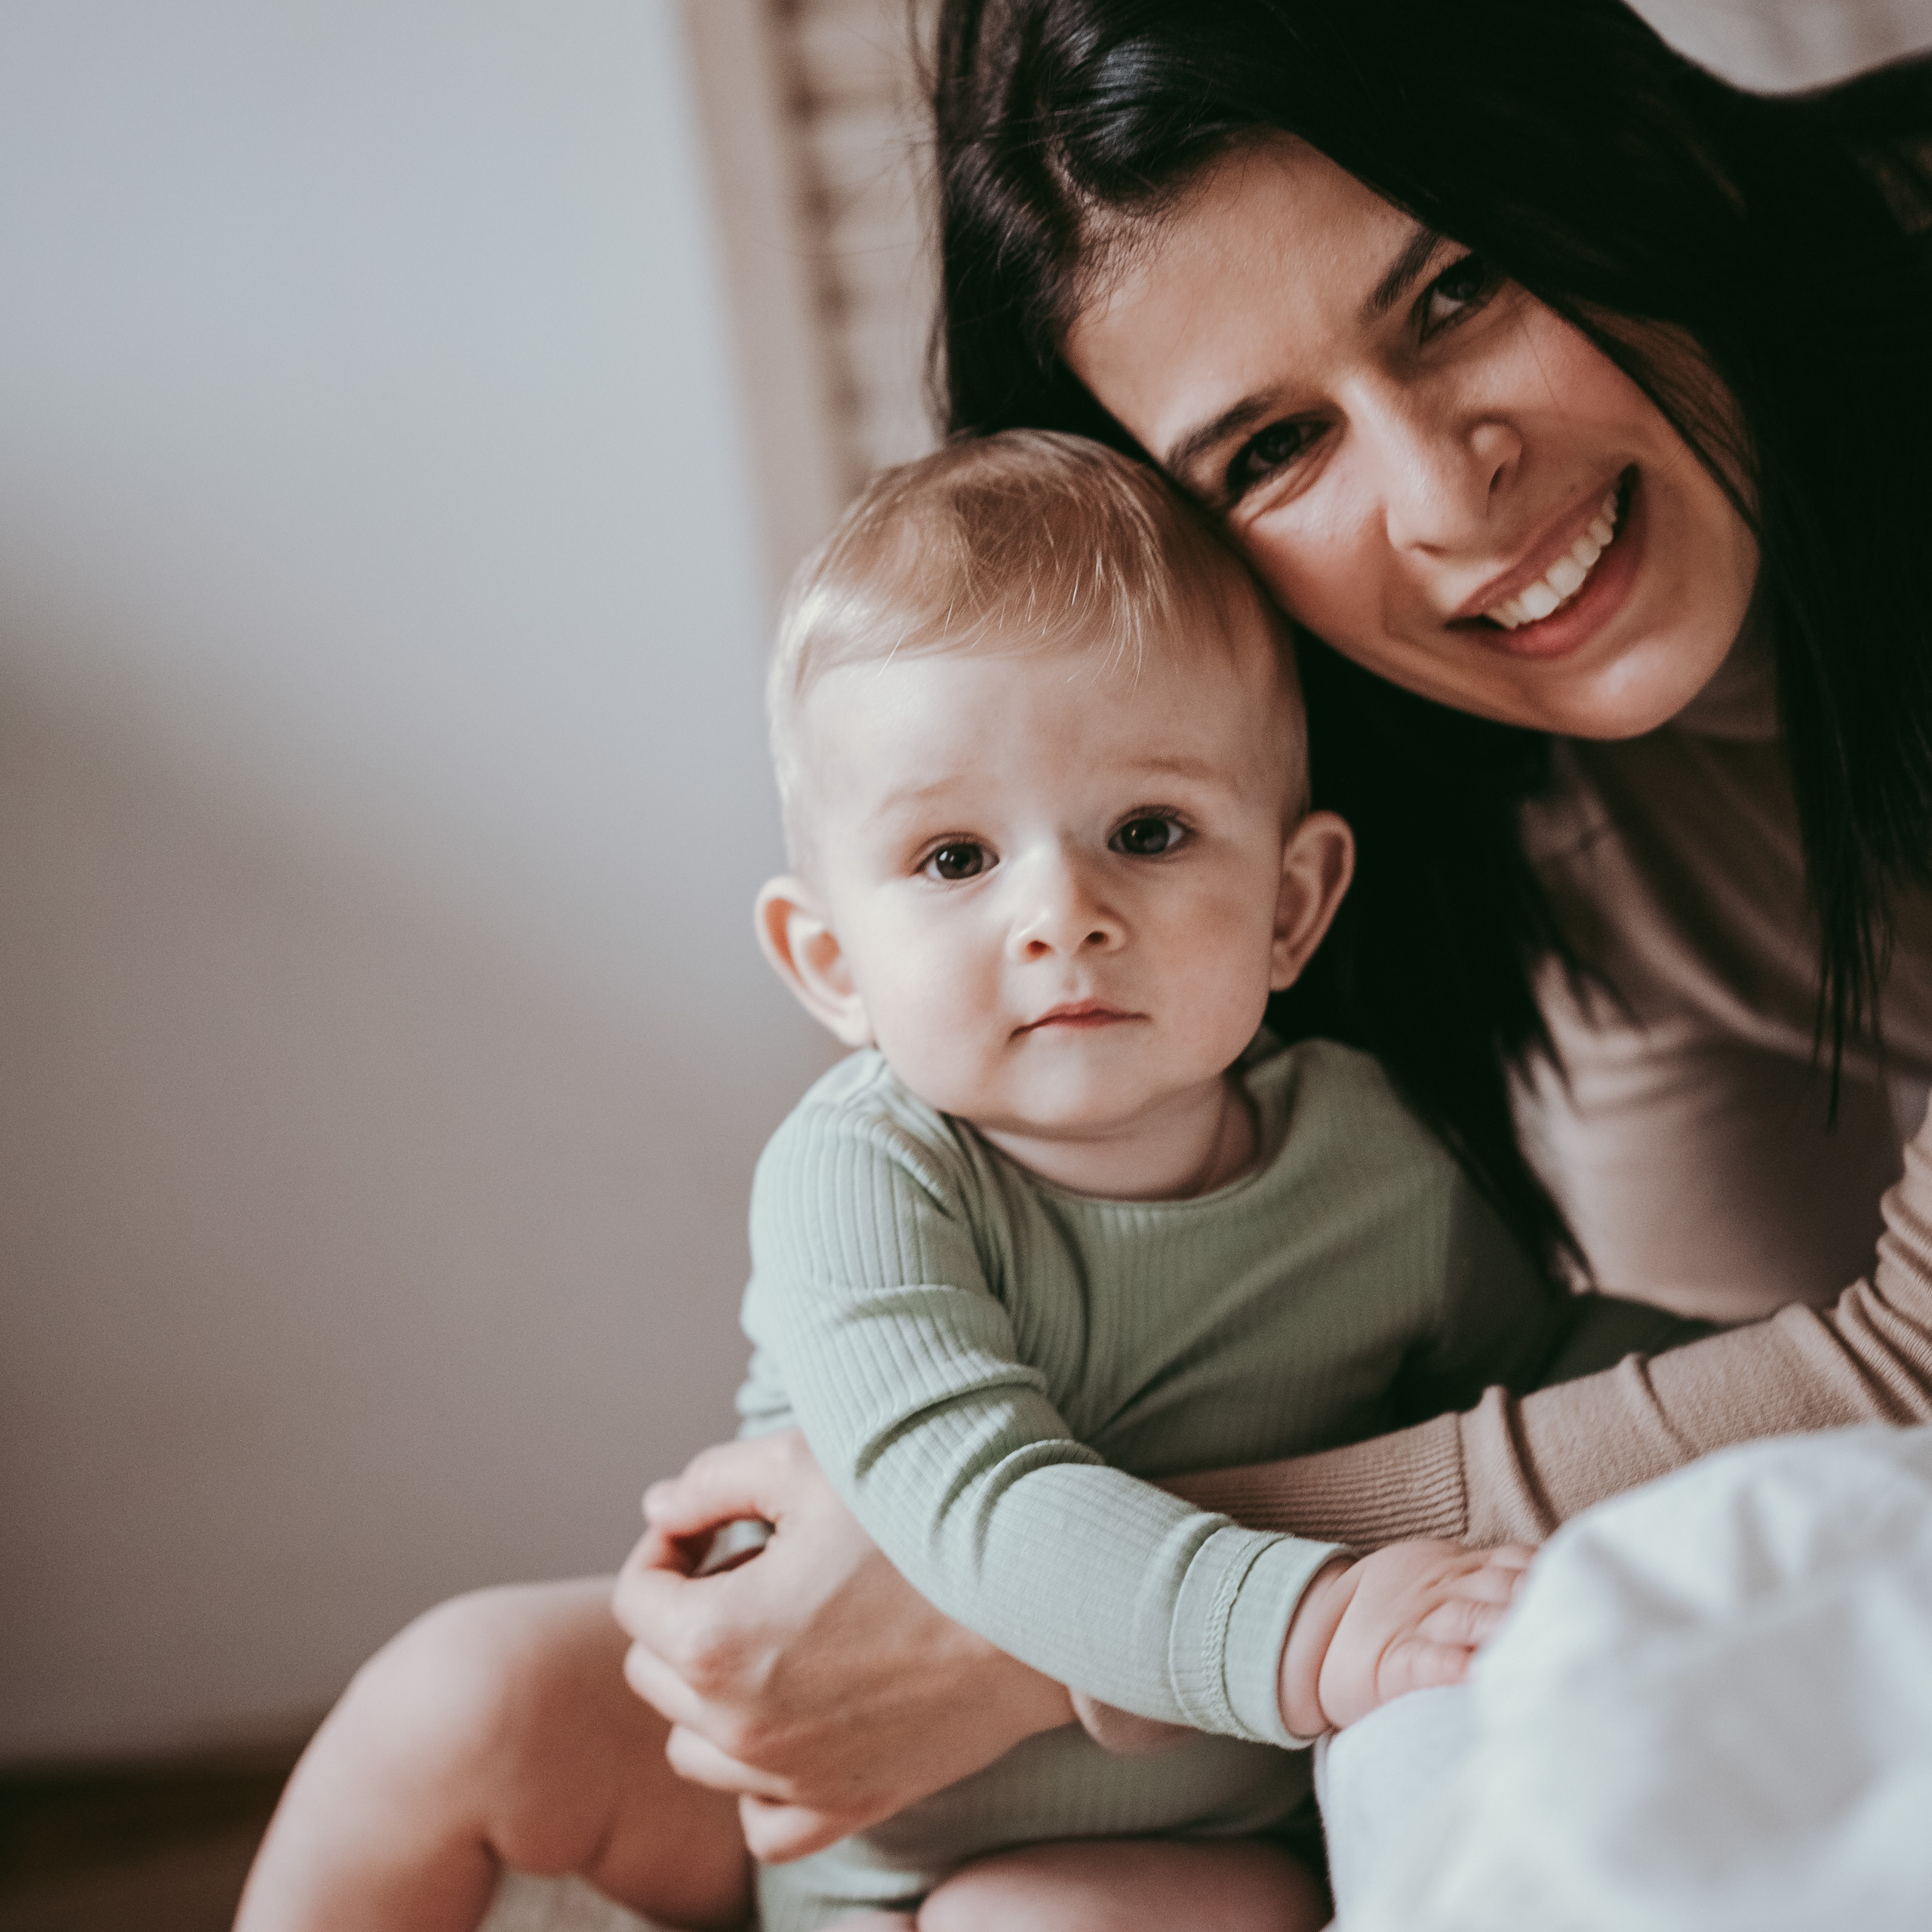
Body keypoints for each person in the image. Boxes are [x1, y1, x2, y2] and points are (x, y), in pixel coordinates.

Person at [598, 0, 1932, 1884]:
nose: (1444, 490)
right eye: (1273, 447)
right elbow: (1733, 1410)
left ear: (1625, 141)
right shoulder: (1497, 787)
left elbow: (1904, 1378)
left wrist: (1059, 1598)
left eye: (1457, 288)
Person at [242, 429, 1715, 1930]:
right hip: (785, 1796)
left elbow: (1526, 1380)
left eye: (1145, 832)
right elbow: (976, 1503)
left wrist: (1777, 1372)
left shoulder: (1379, 1161)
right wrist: (1310, 1622)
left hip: (1171, 1827)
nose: (1059, 914)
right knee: (455, 1691)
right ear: (829, 961)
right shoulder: (865, 1173)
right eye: (953, 857)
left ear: (1289, 902)